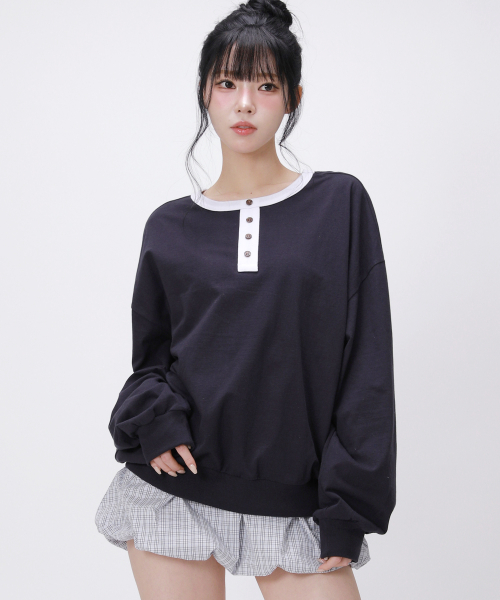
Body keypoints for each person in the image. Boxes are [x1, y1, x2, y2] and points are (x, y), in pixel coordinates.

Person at [95, 1, 397, 598]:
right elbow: (151, 362)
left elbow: (366, 368)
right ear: (205, 92)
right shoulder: (168, 227)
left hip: (295, 501)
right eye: (228, 83)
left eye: (266, 85)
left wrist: (348, 508)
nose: (245, 104)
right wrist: (155, 424)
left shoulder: (339, 205)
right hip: (175, 491)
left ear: (293, 98)